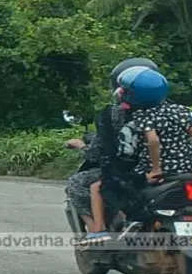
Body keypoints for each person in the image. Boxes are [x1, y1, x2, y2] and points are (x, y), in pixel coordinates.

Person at [85, 67, 192, 242]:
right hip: (188, 169)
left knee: (101, 186)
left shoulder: (142, 114)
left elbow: (153, 141)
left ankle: (104, 229)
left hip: (158, 171)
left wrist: (156, 169)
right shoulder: (180, 110)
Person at [66, 58, 160, 237]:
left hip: (129, 173)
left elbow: (98, 154)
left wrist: (82, 146)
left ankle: (97, 230)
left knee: (77, 184)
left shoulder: (115, 115)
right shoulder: (176, 112)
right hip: (173, 170)